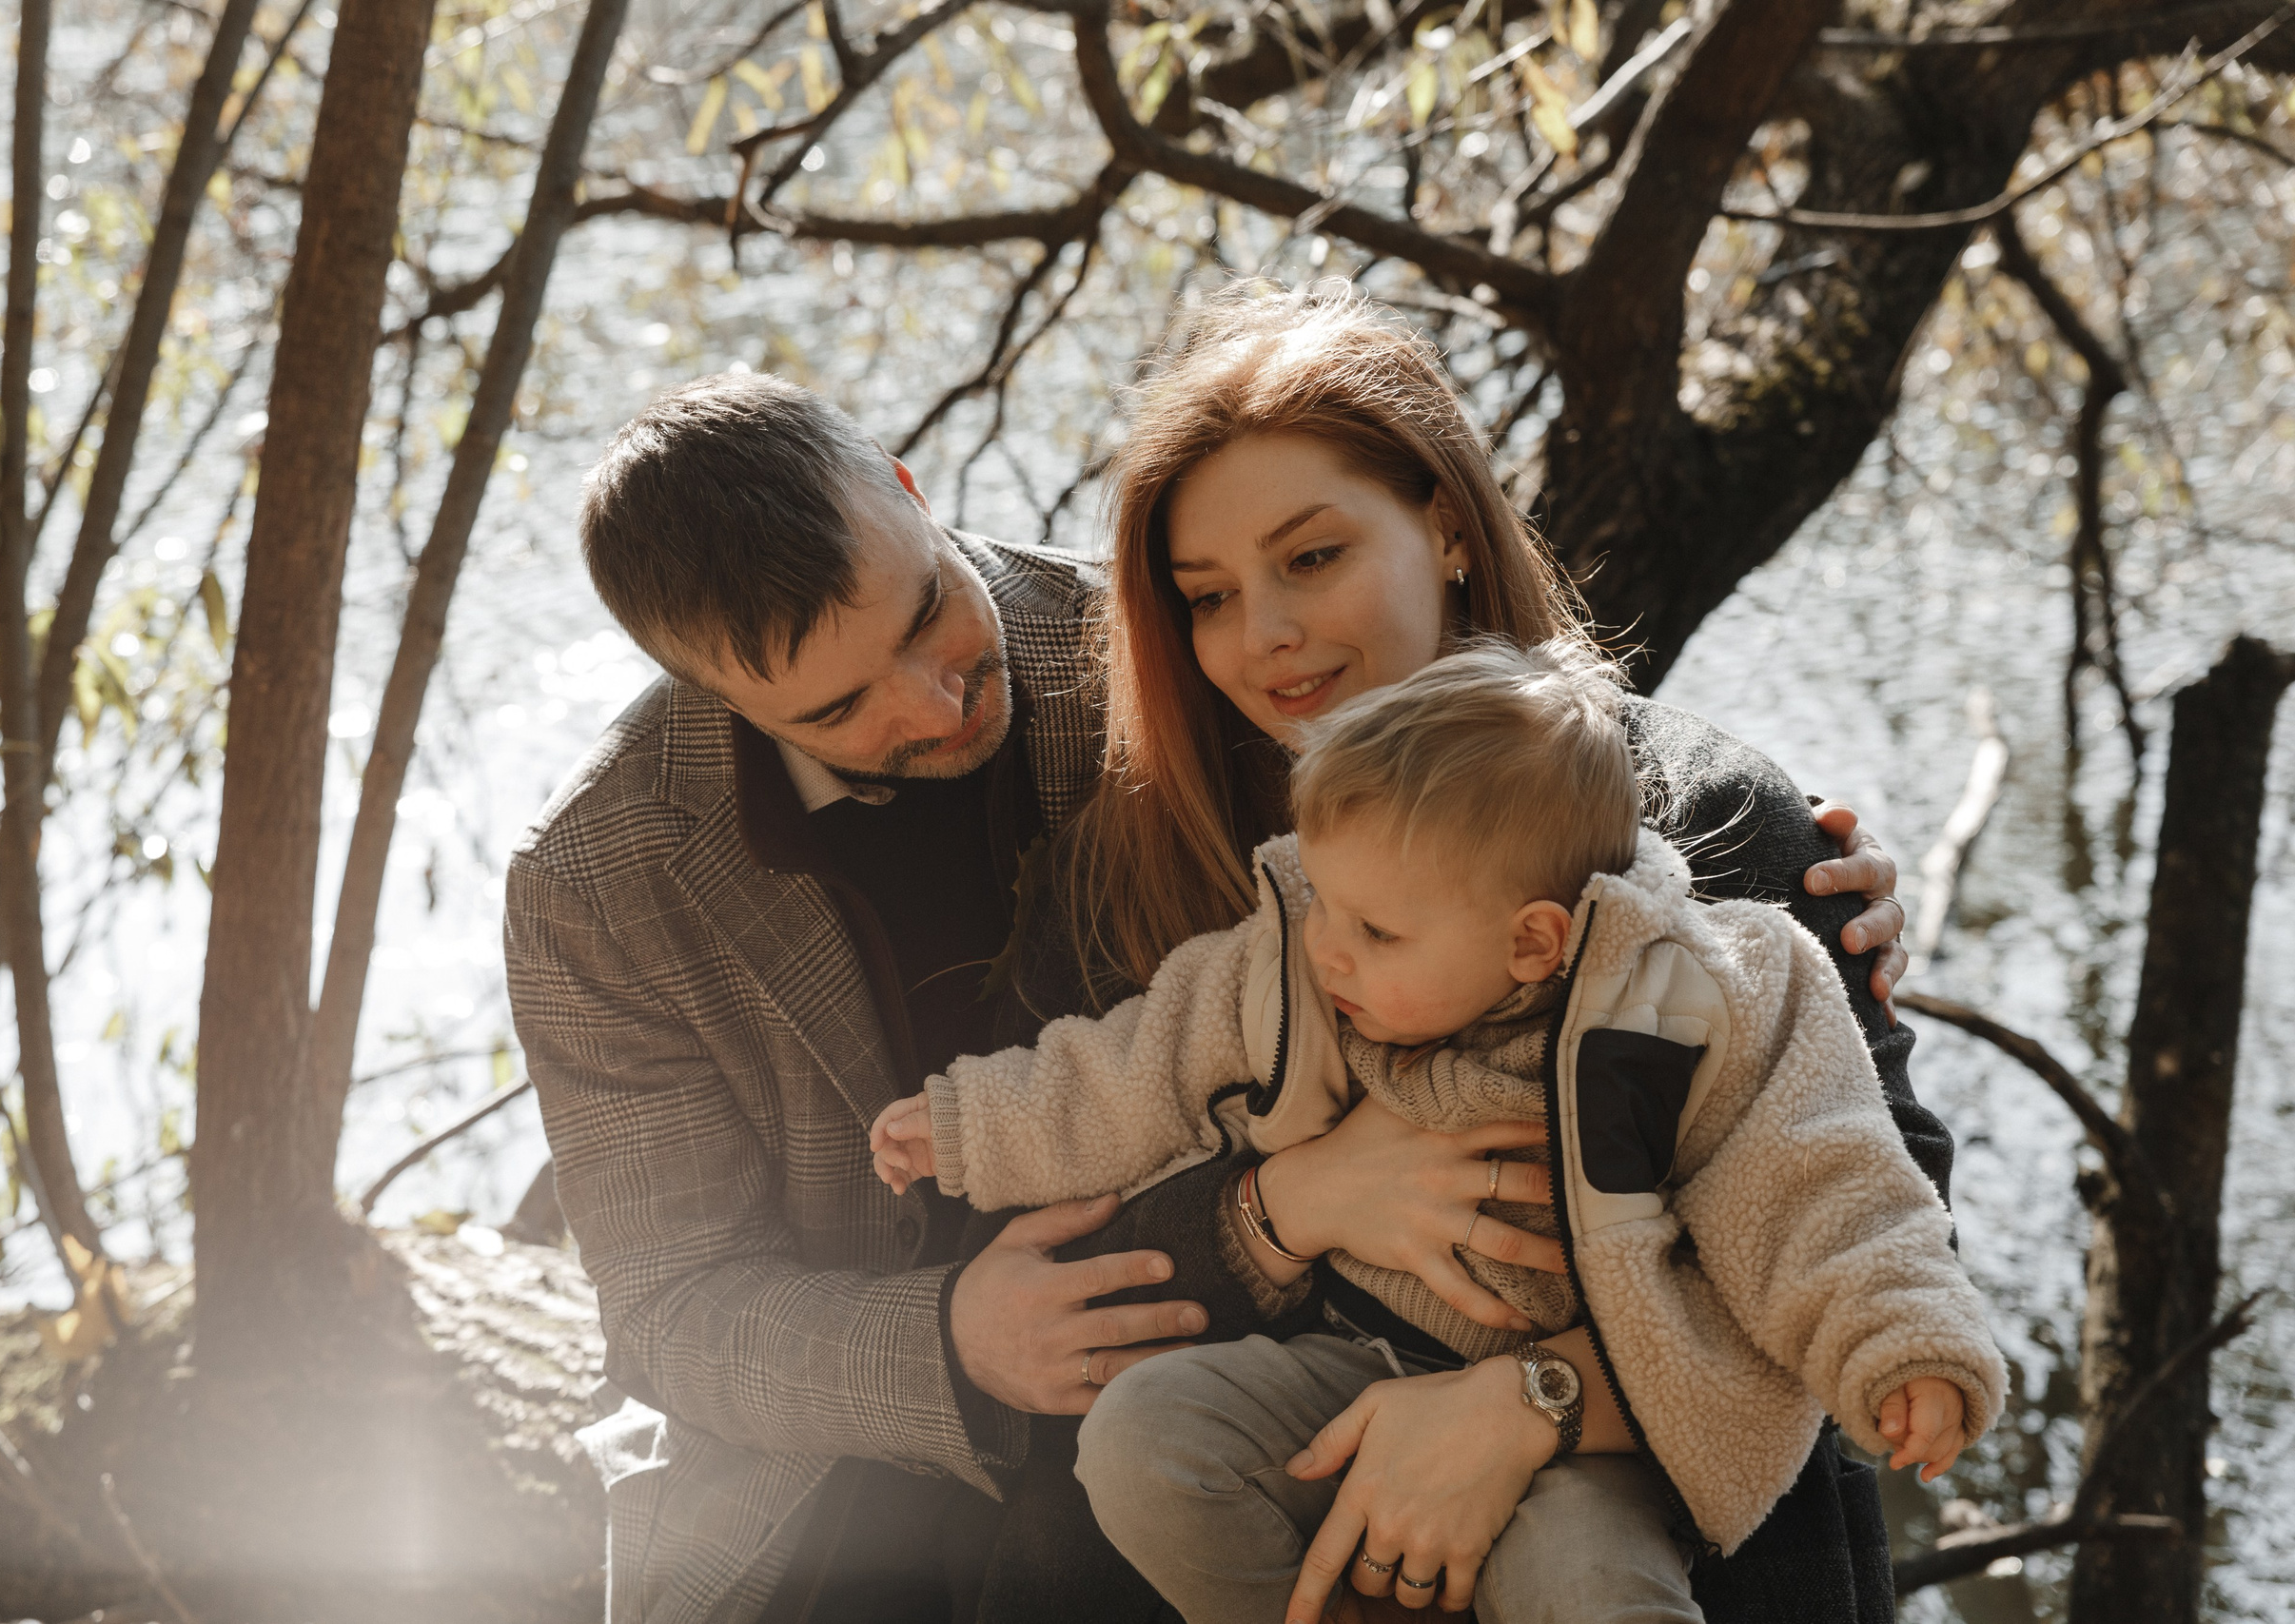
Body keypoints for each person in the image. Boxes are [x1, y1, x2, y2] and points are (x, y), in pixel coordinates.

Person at [506, 335, 1913, 1623]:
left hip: (1482, 1387)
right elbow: (674, 1305)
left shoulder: (1142, 642)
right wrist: (968, 1328)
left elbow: (1859, 1182)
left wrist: (1549, 1391)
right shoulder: (598, 880)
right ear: (710, 693)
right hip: (889, 1427)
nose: (938, 703)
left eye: (928, 614)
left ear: (910, 487)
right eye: (838, 707)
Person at [871, 641, 2006, 1623]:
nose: (1330, 950)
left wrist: (1903, 1346)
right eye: (1321, 900)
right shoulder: (1298, 964)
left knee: (1592, 1591)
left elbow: (1825, 1180)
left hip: (1588, 1428)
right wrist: (971, 1122)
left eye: (1374, 930)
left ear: (1530, 942)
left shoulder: (1700, 998)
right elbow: (1128, 1072)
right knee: (1142, 1441)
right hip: (1343, 1359)